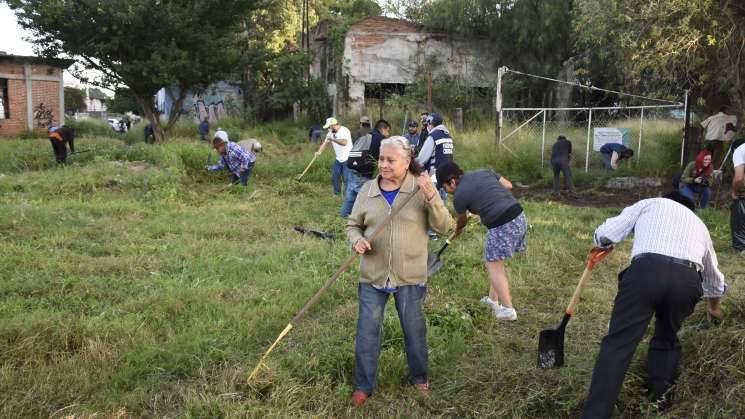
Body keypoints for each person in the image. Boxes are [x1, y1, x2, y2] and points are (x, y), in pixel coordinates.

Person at [581, 192, 726, 418]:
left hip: (646, 272)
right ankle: (659, 403)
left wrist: (601, 243)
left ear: (667, 198)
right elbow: (715, 279)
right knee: (667, 339)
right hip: (686, 280)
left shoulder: (651, 203)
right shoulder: (700, 225)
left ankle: (596, 414)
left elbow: (607, 232)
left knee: (619, 344)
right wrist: (714, 307)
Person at [346, 136, 452, 407]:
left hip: (410, 275)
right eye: (381, 158)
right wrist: (357, 240)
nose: (384, 164)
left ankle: (419, 378)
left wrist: (431, 196)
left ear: (407, 162)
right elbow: (352, 225)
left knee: (414, 331)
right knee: (367, 332)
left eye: (390, 160)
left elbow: (443, 227)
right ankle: (363, 386)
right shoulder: (368, 190)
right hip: (373, 274)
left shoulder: (420, 189)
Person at [437, 161, 526, 321]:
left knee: (493, 265)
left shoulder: (459, 196)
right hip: (519, 217)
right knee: (496, 262)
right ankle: (493, 300)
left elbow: (462, 221)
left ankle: (508, 309)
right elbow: (508, 185)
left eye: (445, 188)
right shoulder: (483, 172)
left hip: (502, 224)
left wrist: (457, 231)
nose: (448, 192)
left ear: (452, 181)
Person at [341, 119, 391, 218]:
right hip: (363, 174)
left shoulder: (367, 135)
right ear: (383, 129)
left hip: (352, 169)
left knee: (350, 198)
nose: (388, 134)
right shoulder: (380, 139)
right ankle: (364, 222)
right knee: (366, 199)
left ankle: (343, 218)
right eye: (388, 131)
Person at [416, 112, 454, 202]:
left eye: (427, 124)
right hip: (446, 177)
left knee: (431, 207)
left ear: (430, 123)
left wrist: (409, 163)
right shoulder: (448, 136)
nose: (427, 126)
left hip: (433, 178)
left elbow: (421, 159)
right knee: (441, 208)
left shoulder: (433, 137)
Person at [322, 117, 353, 198]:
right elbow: (324, 144)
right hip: (339, 159)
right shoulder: (330, 133)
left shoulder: (344, 130)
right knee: (335, 175)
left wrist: (332, 139)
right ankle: (337, 193)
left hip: (348, 158)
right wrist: (318, 152)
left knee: (347, 178)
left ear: (334, 125)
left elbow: (344, 142)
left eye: (329, 127)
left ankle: (348, 195)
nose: (328, 129)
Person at [731, 141, 745, 253]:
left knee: (739, 217)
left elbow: (739, 178)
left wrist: (735, 192)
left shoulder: (739, 151)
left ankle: (741, 248)